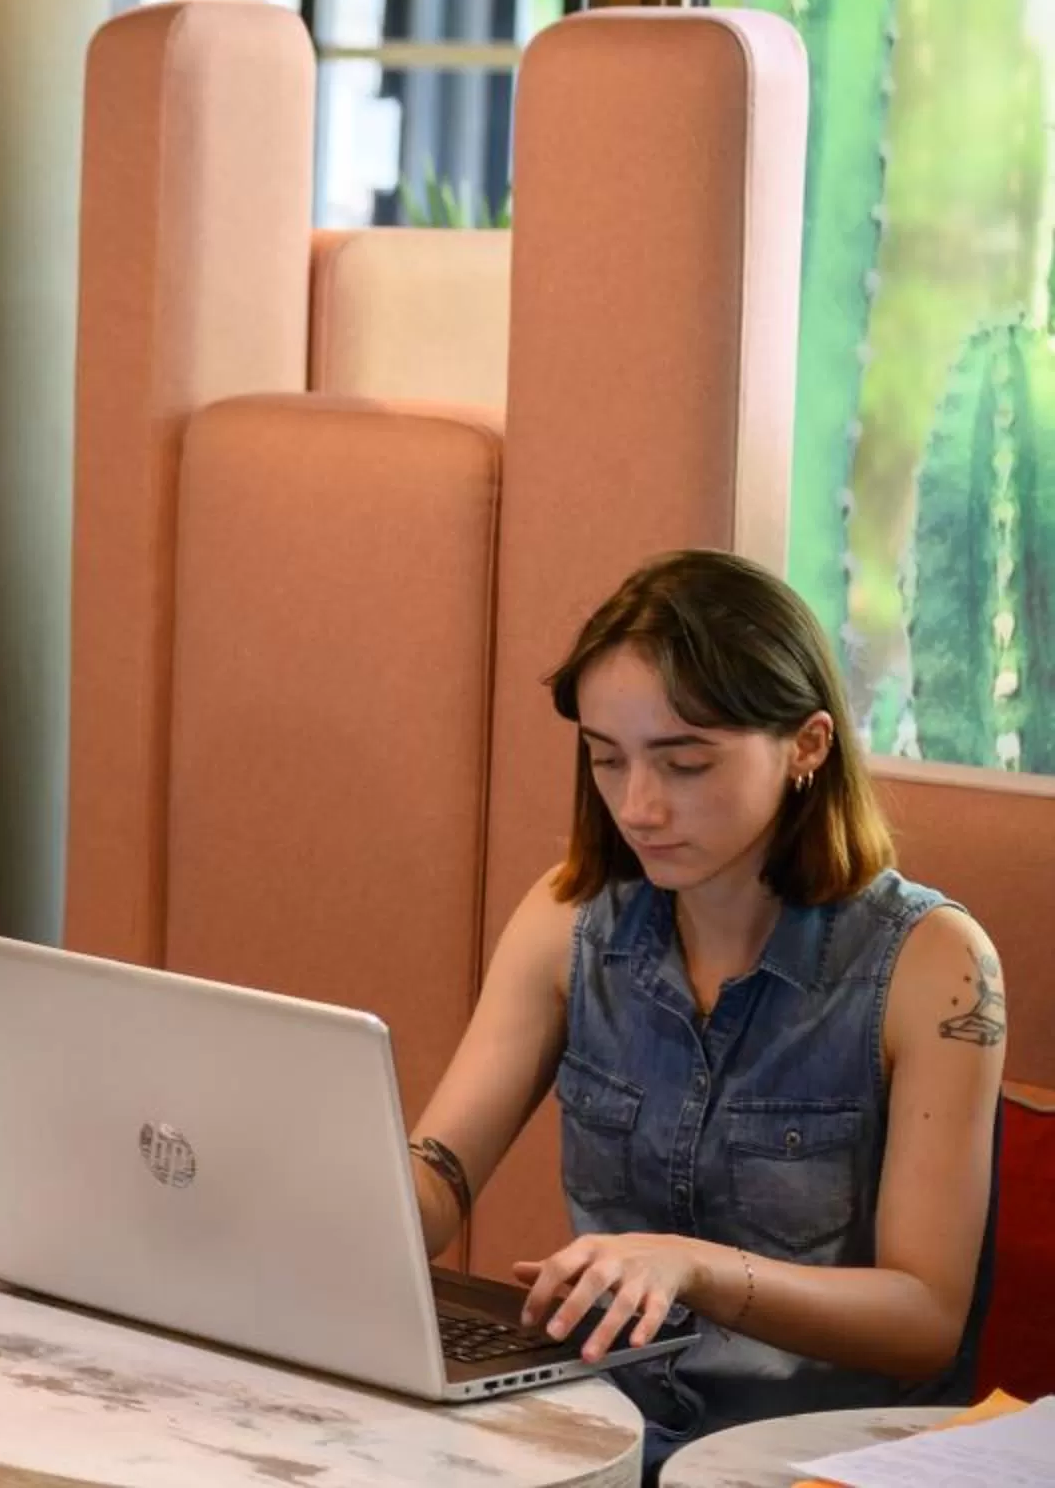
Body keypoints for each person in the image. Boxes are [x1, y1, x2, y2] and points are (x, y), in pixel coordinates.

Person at [404, 550, 1003, 1473]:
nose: (639, 806)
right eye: (608, 759)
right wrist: (342, 1200)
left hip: (816, 1458)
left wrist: (692, 1266)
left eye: (684, 763)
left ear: (806, 745)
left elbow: (925, 1319)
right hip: (600, 1434)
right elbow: (439, 1176)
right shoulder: (567, 920)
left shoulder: (936, 966)